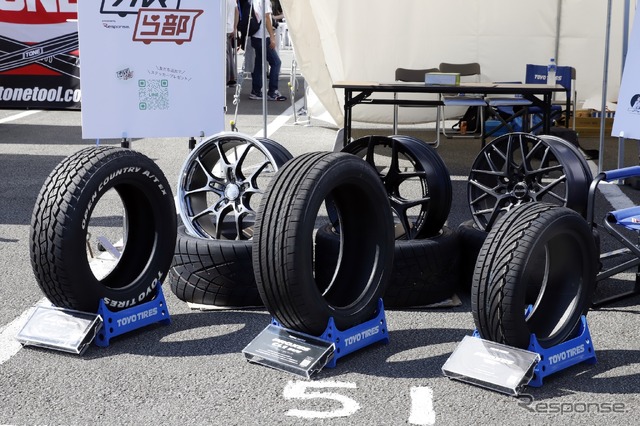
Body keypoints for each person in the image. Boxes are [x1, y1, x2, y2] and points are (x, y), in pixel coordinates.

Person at [249, 0, 286, 101]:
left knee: (259, 63)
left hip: (256, 35)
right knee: (276, 62)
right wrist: (272, 36)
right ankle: (272, 91)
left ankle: (256, 90)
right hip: (263, 36)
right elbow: (267, 18)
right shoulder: (264, 1)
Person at [226, 0, 239, 86]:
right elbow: (237, 12)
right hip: (229, 28)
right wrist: (234, 27)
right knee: (229, 54)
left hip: (222, 28)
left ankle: (226, 78)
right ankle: (231, 77)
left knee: (225, 56)